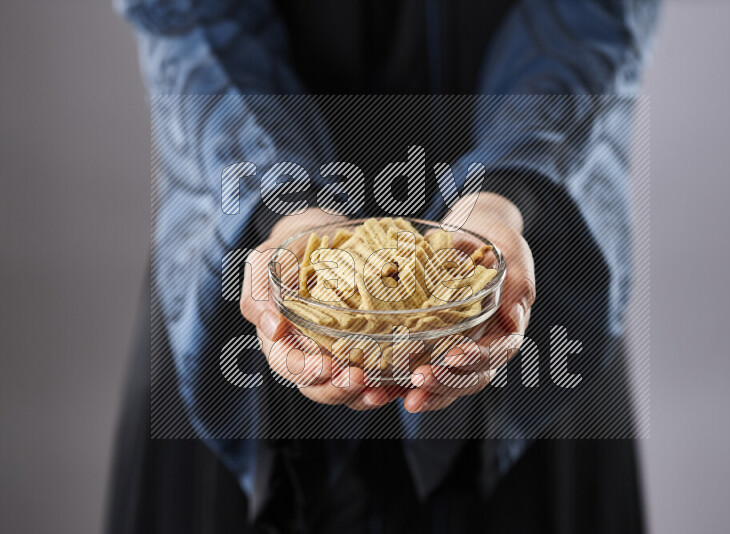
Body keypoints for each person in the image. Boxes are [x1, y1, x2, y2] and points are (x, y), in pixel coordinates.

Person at [107, 1, 660, 533]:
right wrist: (282, 205)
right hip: (250, 271)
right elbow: (187, 12)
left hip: (519, 270)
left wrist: (507, 189)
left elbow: (595, 10)